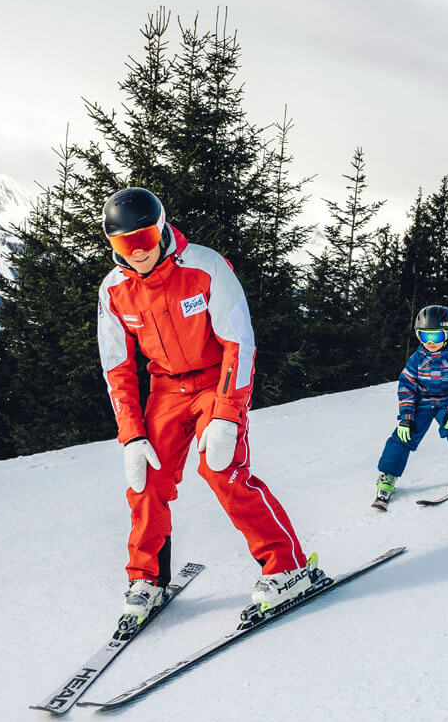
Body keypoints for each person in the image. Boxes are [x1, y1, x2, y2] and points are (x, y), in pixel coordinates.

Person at [96, 187, 323, 632]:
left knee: (222, 469)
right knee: (145, 476)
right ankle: (147, 578)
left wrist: (226, 413)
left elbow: (239, 343)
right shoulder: (115, 290)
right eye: (125, 245)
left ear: (160, 230)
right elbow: (118, 366)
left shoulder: (204, 267)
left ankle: (287, 565)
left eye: (144, 239)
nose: (138, 253)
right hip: (165, 390)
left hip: (216, 381)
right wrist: (132, 433)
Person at [373, 305, 448, 508]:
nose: (430, 342)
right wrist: (406, 418)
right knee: (403, 435)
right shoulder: (416, 360)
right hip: (422, 403)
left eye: (436, 337)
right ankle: (388, 475)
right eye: (424, 336)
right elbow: (406, 388)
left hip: (446, 401)